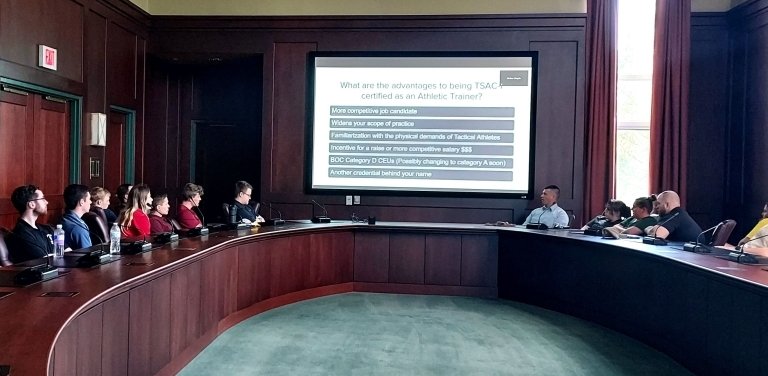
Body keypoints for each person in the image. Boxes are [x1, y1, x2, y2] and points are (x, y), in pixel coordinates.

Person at [7, 185, 55, 263]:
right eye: (42, 199)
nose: (47, 202)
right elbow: (45, 260)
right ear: (31, 204)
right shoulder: (21, 234)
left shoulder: (47, 228)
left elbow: (68, 252)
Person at [61, 184, 92, 250]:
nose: (91, 202)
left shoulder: (64, 218)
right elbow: (87, 254)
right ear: (82, 202)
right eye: (89, 199)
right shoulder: (78, 229)